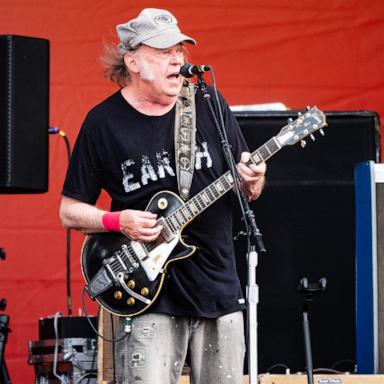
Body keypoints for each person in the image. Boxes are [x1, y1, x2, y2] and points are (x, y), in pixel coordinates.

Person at [59, 8, 266, 384]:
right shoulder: (103, 123)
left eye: (181, 51)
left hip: (217, 287)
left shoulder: (207, 104)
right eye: (163, 51)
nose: (178, 60)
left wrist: (254, 178)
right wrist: (116, 220)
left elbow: (248, 190)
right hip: (148, 294)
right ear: (133, 61)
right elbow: (69, 212)